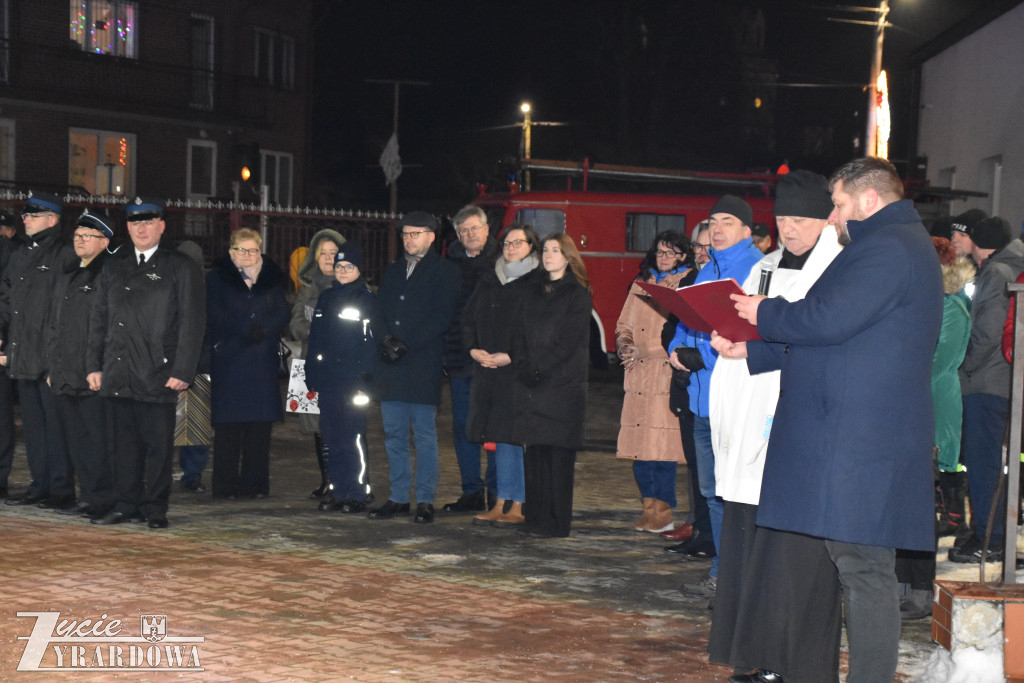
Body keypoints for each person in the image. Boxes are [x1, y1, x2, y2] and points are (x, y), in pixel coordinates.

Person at [713, 157, 943, 682]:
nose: (833, 216)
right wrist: (754, 351)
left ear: (869, 199)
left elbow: (827, 320)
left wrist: (763, 311)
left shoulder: (888, 247)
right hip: (853, 432)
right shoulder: (889, 243)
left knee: (864, 568)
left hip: (860, 438)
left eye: (837, 205)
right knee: (857, 564)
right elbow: (846, 336)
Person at [707, 170, 844, 682]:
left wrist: (757, 346)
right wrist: (728, 340)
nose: (788, 229)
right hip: (749, 413)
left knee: (791, 552)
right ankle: (749, 652)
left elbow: (821, 335)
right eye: (783, 218)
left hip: (796, 419)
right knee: (748, 539)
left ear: (826, 219)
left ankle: (789, 659)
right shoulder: (764, 267)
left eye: (800, 220)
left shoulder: (838, 268)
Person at [667, 195, 764, 599]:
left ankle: (737, 580)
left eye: (728, 222)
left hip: (734, 400)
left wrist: (702, 357)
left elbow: (744, 331)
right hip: (701, 398)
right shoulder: (708, 268)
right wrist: (676, 350)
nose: (718, 229)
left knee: (734, 494)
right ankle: (722, 574)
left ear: (746, 230)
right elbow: (686, 319)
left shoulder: (756, 267)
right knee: (712, 492)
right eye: (713, 222)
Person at [87, 196, 205, 529]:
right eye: (135, 223)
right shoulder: (114, 264)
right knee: (123, 446)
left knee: (157, 448)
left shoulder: (180, 266)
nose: (141, 229)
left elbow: (192, 322)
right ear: (127, 227)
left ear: (161, 226)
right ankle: (126, 503)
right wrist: (94, 365)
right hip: (119, 369)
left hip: (158, 371)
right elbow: (99, 318)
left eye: (148, 222)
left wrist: (183, 369)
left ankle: (155, 507)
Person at [369, 212, 460, 524]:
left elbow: (441, 316)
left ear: (431, 237)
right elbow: (378, 309)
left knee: (424, 435)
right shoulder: (394, 270)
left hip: (421, 362)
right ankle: (397, 498)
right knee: (393, 434)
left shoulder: (445, 272)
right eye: (405, 234)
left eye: (415, 234)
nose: (409, 239)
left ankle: (424, 499)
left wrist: (406, 343)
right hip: (391, 364)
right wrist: (384, 339)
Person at [950, 215, 1024, 563]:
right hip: (1002, 381)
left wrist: (961, 366)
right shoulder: (1011, 267)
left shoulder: (996, 272)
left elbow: (988, 331)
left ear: (979, 243)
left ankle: (990, 538)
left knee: (984, 463)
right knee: (994, 463)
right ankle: (994, 534)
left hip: (986, 383)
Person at [512, 233, 592, 539]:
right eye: (545, 250)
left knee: (557, 458)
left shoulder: (577, 294)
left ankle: (556, 523)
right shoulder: (532, 289)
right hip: (533, 385)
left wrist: (539, 368)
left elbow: (569, 341)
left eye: (556, 251)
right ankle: (535, 517)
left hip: (561, 385)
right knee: (535, 455)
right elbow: (519, 332)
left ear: (568, 257)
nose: (548, 255)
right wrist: (522, 364)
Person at [462, 224, 542, 528]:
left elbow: (539, 331)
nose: (510, 248)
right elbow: (468, 319)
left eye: (518, 243)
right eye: (507, 243)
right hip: (488, 371)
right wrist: (473, 349)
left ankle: (519, 503)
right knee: (499, 437)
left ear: (531, 247)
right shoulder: (489, 279)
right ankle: (501, 501)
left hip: (519, 372)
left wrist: (512, 356)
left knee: (517, 438)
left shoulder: (537, 283)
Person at [2, 191, 77, 509]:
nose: (26, 220)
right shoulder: (20, 253)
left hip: (49, 355)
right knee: (33, 428)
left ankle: (60, 489)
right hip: (23, 352)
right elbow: (6, 297)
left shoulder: (63, 253)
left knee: (55, 428)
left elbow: (65, 308)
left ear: (53, 219)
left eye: (34, 215)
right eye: (26, 215)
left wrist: (57, 356)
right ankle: (39, 484)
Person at [614, 230, 691, 533]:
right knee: (639, 446)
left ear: (683, 256)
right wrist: (624, 343)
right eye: (660, 251)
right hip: (638, 374)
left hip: (664, 372)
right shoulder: (641, 283)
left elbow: (680, 333)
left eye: (671, 252)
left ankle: (663, 511)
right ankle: (648, 508)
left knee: (662, 447)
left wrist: (643, 349)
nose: (664, 257)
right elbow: (624, 323)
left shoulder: (684, 284)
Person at [206, 228, 290, 499]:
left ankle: (255, 485)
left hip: (261, 363)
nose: (247, 254)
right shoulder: (217, 279)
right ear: (231, 251)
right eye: (241, 249)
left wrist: (264, 329)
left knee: (259, 427)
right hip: (230, 360)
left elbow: (282, 312)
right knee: (228, 428)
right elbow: (213, 313)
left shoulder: (270, 279)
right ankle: (225, 486)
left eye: (253, 250)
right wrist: (244, 329)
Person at [47, 209, 115, 519]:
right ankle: (88, 495)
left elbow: (105, 328)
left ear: (105, 241)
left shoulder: (107, 274)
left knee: (98, 441)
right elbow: (56, 325)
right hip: (66, 371)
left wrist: (97, 366)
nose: (80, 240)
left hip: (92, 374)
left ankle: (104, 498)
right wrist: (53, 366)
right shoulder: (70, 272)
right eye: (76, 235)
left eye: (88, 236)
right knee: (76, 440)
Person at [305, 242, 380, 513]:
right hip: (329, 381)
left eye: (349, 266)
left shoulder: (367, 300)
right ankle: (338, 491)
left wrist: (364, 382)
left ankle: (358, 493)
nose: (343, 270)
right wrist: (312, 373)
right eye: (339, 266)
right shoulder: (326, 298)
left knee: (352, 436)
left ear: (359, 269)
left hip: (353, 382)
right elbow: (315, 340)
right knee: (332, 437)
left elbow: (371, 345)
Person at [442, 205, 501, 514]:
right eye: (464, 230)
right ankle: (471, 491)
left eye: (475, 228)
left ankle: (498, 493)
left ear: (487, 230)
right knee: (464, 428)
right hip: (459, 357)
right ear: (457, 234)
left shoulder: (502, 261)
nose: (470, 234)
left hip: (493, 360)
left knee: (494, 428)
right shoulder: (448, 265)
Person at [289, 229, 346, 498]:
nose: (328, 258)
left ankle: (348, 480)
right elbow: (296, 323)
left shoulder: (351, 287)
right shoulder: (307, 287)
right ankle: (327, 481)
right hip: (309, 363)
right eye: (323, 253)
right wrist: (316, 331)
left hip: (340, 366)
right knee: (316, 427)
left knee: (343, 425)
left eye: (333, 253)